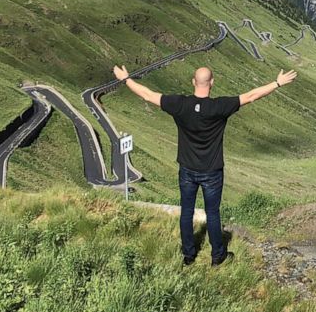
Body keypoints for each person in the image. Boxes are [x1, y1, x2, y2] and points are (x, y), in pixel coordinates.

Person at [112, 64, 297, 266]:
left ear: (193, 82)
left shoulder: (179, 104)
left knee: (187, 211)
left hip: (187, 170)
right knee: (213, 213)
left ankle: (188, 255)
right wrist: (277, 83)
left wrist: (126, 79)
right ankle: (218, 256)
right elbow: (251, 96)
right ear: (212, 83)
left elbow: (148, 95)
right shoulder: (219, 106)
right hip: (212, 171)